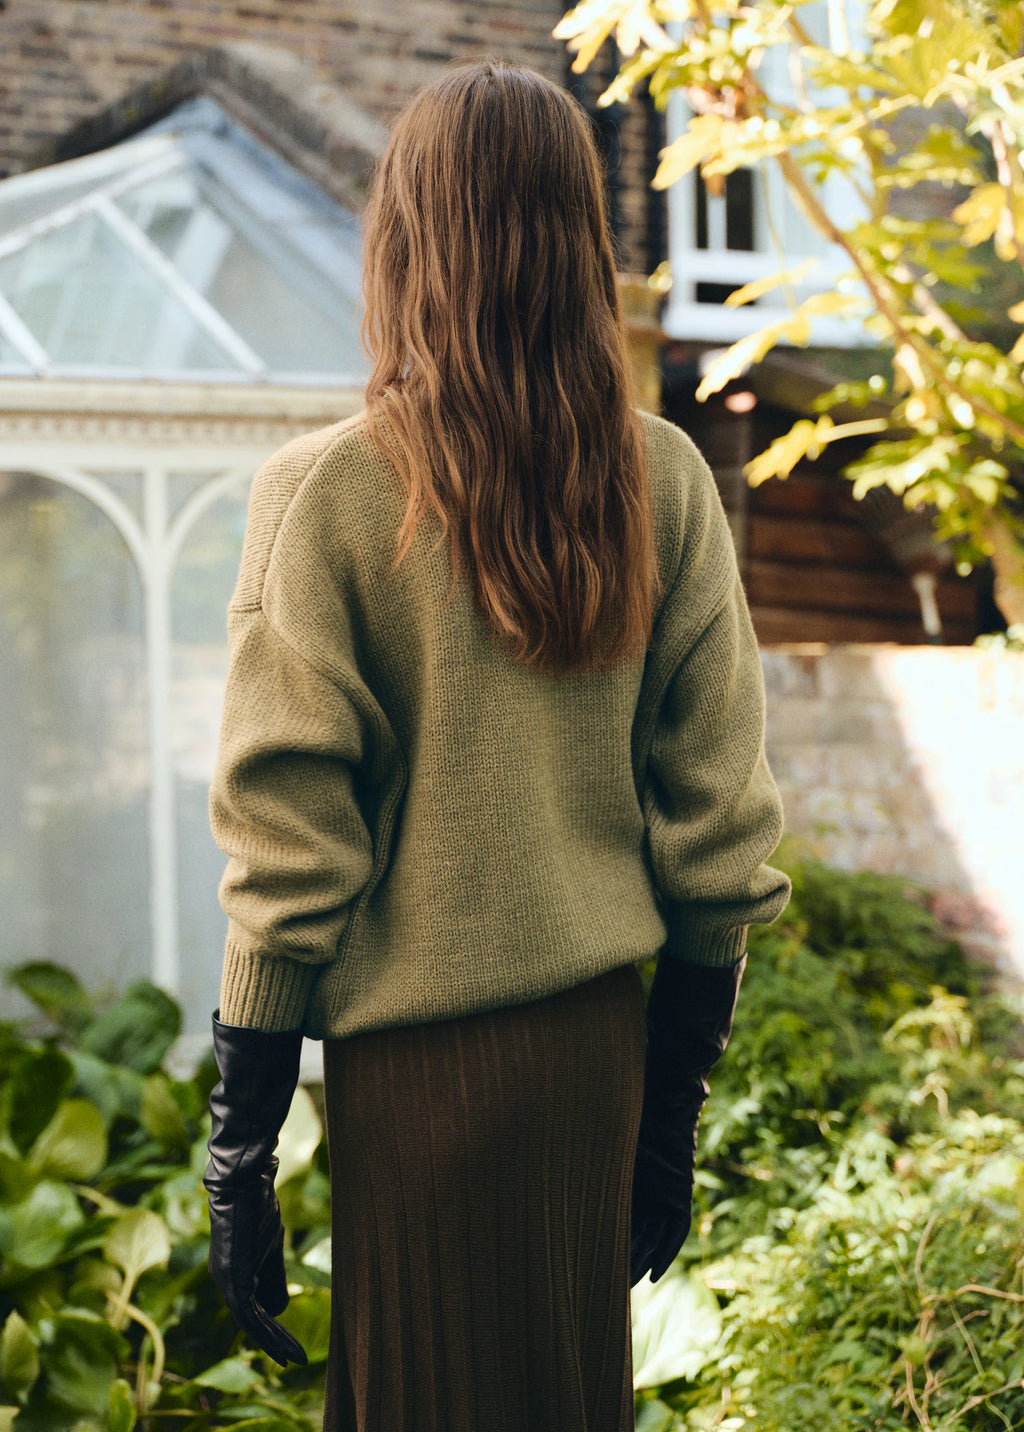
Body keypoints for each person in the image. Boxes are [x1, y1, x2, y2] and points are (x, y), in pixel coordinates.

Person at [202, 59, 790, 1432]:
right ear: (579, 241)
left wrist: (240, 1150)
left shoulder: (326, 494)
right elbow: (718, 839)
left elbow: (289, 845)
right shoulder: (666, 481)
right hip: (599, 1061)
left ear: (407, 238)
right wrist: (670, 1121)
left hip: (414, 1085)